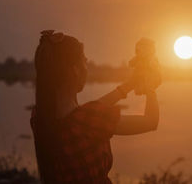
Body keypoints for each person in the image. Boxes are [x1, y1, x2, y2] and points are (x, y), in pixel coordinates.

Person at [30, 30, 161, 184]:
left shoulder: (40, 118)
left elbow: (87, 114)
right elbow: (151, 121)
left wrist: (129, 85)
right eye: (84, 60)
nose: (87, 65)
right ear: (75, 70)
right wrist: (151, 87)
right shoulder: (87, 121)